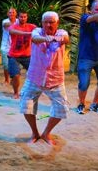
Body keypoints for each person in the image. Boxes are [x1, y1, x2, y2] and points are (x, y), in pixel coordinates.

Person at [20, 11, 70, 145]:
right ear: (42, 23)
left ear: (57, 23)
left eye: (51, 22)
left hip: (55, 79)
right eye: (45, 22)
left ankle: (46, 133)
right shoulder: (37, 32)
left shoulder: (62, 33)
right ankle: (34, 133)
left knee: (61, 109)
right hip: (35, 77)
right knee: (26, 105)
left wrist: (54, 38)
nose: (48, 24)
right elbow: (35, 39)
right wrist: (47, 38)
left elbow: (66, 39)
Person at [7, 10, 36, 99]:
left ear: (27, 17)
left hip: (27, 56)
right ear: (18, 17)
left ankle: (34, 91)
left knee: (35, 73)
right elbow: (13, 32)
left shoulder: (32, 27)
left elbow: (40, 32)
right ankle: (16, 92)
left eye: (25, 17)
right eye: (21, 17)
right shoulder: (13, 26)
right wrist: (28, 33)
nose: (23, 18)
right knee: (16, 75)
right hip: (14, 56)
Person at [0, 7, 17, 84]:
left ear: (16, 14)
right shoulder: (5, 21)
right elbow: (6, 25)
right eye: (10, 12)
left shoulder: (18, 21)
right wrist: (20, 23)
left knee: (15, 65)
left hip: (15, 46)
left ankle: (14, 79)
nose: (11, 14)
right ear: (7, 14)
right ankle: (6, 80)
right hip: (5, 46)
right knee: (6, 65)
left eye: (13, 12)